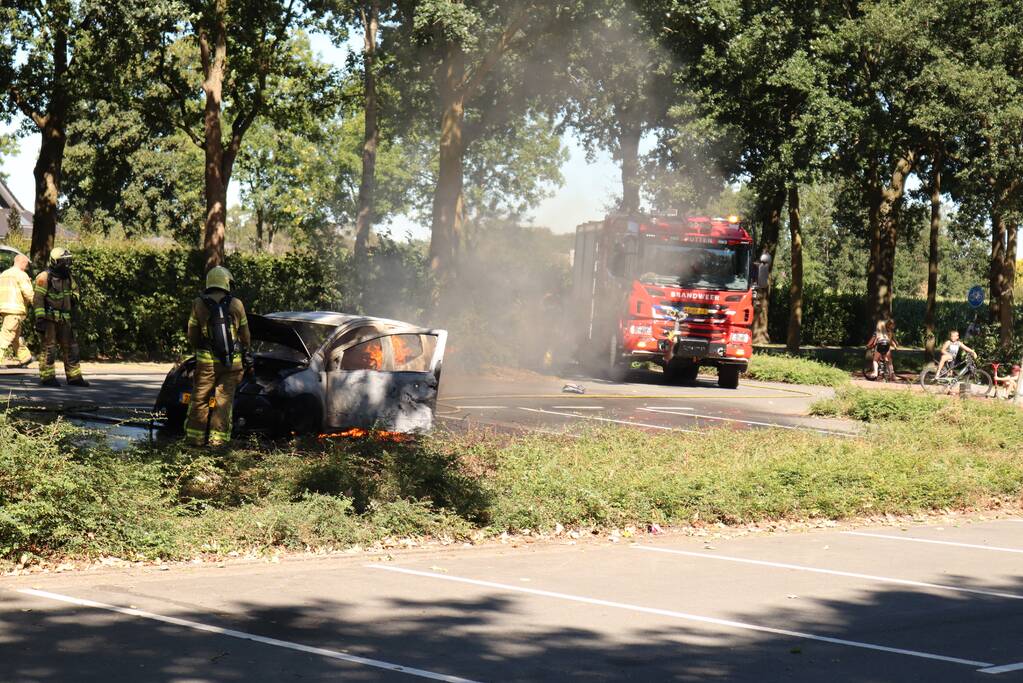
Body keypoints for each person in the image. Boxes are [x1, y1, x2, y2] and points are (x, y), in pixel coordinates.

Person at [184, 266, 250, 447]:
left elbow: (192, 334)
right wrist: (245, 351)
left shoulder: (198, 303)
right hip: (232, 364)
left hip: (206, 364)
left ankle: (194, 440)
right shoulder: (237, 304)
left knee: (199, 399)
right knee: (224, 402)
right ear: (226, 283)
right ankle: (217, 442)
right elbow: (245, 335)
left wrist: (200, 349)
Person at [34, 247, 88, 387]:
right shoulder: (44, 277)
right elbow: (38, 299)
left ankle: (74, 377)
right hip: (49, 319)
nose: (67, 265)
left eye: (68, 261)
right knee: (49, 348)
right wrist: (40, 319)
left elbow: (75, 291)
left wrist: (75, 299)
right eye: (64, 262)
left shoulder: (68, 277)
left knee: (71, 348)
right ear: (54, 261)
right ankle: (47, 377)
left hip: (65, 319)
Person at [0, 253, 35, 367]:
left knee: (15, 336)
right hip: (15, 309)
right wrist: (38, 305)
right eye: (26, 264)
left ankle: (25, 358)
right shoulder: (21, 275)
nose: (26, 267)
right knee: (6, 335)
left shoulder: (4, 274)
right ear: (22, 262)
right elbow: (28, 293)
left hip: (4, 308)